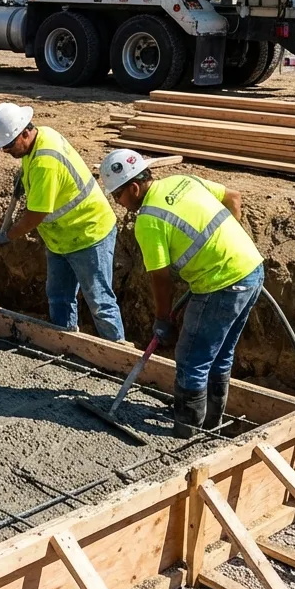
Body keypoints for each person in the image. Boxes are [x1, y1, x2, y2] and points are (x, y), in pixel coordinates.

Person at [98, 148, 265, 438]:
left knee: (191, 360)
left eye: (117, 196)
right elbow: (233, 198)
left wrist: (163, 319)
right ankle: (211, 424)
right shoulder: (183, 180)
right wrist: (226, 249)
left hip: (221, 284)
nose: (118, 203)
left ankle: (186, 430)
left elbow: (161, 278)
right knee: (220, 355)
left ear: (134, 187)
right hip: (251, 269)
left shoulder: (149, 220)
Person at [0, 102, 125, 342]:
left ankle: (118, 359)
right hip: (61, 237)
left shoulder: (44, 161)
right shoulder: (41, 137)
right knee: (59, 296)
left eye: (8, 146)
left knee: (100, 302)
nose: (6, 151)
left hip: (88, 233)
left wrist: (7, 236)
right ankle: (64, 345)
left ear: (25, 132)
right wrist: (23, 177)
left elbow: (35, 215)